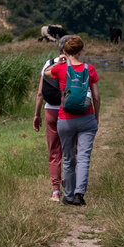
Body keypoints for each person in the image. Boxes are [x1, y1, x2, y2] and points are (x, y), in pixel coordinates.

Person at [46, 35, 101, 206]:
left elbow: (46, 73)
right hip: (87, 117)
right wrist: (96, 116)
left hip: (65, 119)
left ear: (65, 51)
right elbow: (97, 97)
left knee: (68, 158)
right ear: (80, 51)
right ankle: (79, 194)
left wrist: (58, 62)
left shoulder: (61, 69)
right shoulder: (89, 69)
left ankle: (68, 196)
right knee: (84, 158)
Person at [33, 36, 71, 201]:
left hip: (51, 112)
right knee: (71, 151)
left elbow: (40, 93)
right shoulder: (76, 66)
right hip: (70, 112)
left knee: (54, 152)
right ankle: (70, 186)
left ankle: (56, 190)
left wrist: (36, 115)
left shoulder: (49, 64)